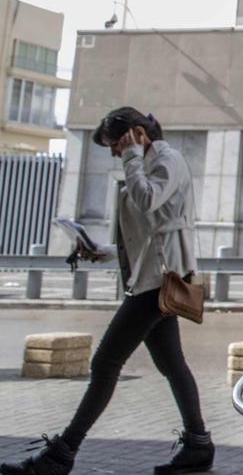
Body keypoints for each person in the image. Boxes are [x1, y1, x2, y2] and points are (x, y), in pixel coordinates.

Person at [2, 108, 213, 475]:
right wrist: (102, 250)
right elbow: (150, 234)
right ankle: (199, 445)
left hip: (158, 283)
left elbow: (148, 201)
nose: (115, 152)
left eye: (116, 143)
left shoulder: (166, 160)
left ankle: (61, 455)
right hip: (152, 278)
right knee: (171, 364)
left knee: (105, 364)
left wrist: (132, 156)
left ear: (137, 133)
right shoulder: (144, 163)